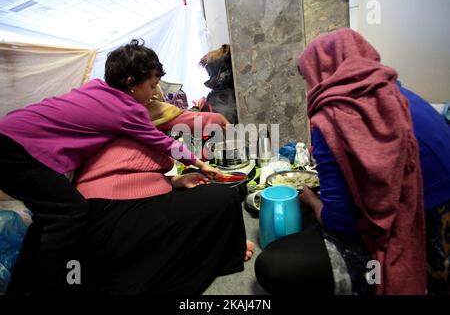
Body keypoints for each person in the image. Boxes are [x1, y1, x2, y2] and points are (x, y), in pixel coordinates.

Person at [0, 39, 222, 295]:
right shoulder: (127, 109)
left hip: (8, 136)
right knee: (70, 212)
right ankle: (52, 288)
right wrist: (199, 163)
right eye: (151, 86)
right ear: (130, 83)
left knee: (48, 218)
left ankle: (19, 288)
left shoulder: (95, 89)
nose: (153, 93)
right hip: (17, 151)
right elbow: (161, 141)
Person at [255, 28, 450, 295]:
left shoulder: (333, 117)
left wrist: (312, 201)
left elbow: (342, 222)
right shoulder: (399, 95)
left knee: (274, 263)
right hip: (432, 209)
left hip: (421, 233)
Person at [73, 135, 254, 295]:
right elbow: (131, 178)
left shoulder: (105, 129)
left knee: (196, 189)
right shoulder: (132, 122)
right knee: (225, 196)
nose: (153, 96)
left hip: (99, 207)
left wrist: (174, 181)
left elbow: (133, 175)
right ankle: (228, 250)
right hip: (113, 215)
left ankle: (228, 244)